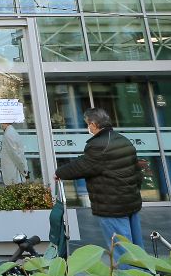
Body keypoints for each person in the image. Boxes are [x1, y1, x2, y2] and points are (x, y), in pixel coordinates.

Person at [54, 107, 142, 261]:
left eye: (87, 124)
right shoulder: (122, 139)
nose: (88, 127)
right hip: (130, 201)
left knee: (121, 250)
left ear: (94, 124)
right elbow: (137, 172)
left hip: (112, 204)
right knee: (135, 247)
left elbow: (84, 165)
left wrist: (59, 173)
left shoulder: (99, 145)